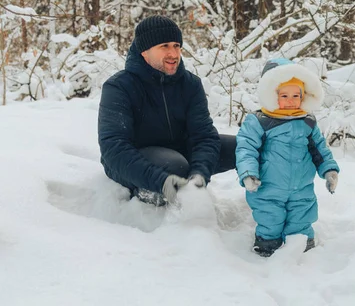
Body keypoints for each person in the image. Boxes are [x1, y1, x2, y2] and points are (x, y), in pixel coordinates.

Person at [98, 15, 236, 206]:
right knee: (175, 166)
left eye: (176, 46)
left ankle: (272, 205)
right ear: (144, 51)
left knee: (245, 147)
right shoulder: (119, 87)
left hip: (179, 151)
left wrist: (200, 173)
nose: (173, 53)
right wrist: (159, 181)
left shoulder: (191, 84)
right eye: (164, 46)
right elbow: (113, 148)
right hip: (134, 160)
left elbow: (203, 136)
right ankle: (149, 193)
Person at [236, 58, 340, 256]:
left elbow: (319, 149)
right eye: (284, 95)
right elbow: (246, 148)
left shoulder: (307, 122)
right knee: (270, 217)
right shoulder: (260, 121)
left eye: (296, 95)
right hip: (267, 186)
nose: (291, 100)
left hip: (302, 186)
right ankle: (267, 243)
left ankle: (301, 242)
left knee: (302, 214)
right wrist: (248, 174)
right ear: (272, 95)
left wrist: (329, 170)